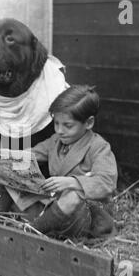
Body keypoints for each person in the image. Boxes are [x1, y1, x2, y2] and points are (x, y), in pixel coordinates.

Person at [29, 85, 118, 238]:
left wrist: (72, 182)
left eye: (67, 125)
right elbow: (30, 155)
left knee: (73, 195)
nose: (59, 130)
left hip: (89, 217)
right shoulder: (56, 141)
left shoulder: (98, 147)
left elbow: (107, 182)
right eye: (56, 123)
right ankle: (40, 226)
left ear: (89, 123)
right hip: (59, 210)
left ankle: (32, 230)